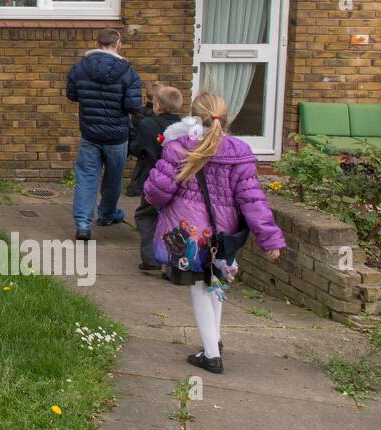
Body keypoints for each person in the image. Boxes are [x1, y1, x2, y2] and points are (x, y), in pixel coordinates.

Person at [143, 92, 285, 374]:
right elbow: (252, 200)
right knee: (215, 282)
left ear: (193, 117)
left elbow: (158, 191)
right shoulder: (240, 151)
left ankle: (210, 355)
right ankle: (214, 340)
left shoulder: (180, 147)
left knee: (199, 287)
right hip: (223, 233)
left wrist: (151, 194)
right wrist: (270, 238)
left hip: (191, 233)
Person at [65, 28, 143, 240]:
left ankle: (82, 224)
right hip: (117, 135)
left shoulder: (80, 68)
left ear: (98, 43)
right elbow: (133, 105)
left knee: (87, 176)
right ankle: (107, 213)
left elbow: (72, 95)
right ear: (118, 45)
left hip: (90, 132)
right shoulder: (128, 72)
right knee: (113, 177)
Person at [129, 84, 185, 272]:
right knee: (174, 219)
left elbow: (136, 148)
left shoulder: (148, 124)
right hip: (179, 181)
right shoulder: (187, 127)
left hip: (153, 179)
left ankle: (151, 259)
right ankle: (174, 263)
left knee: (146, 215)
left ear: (157, 106)